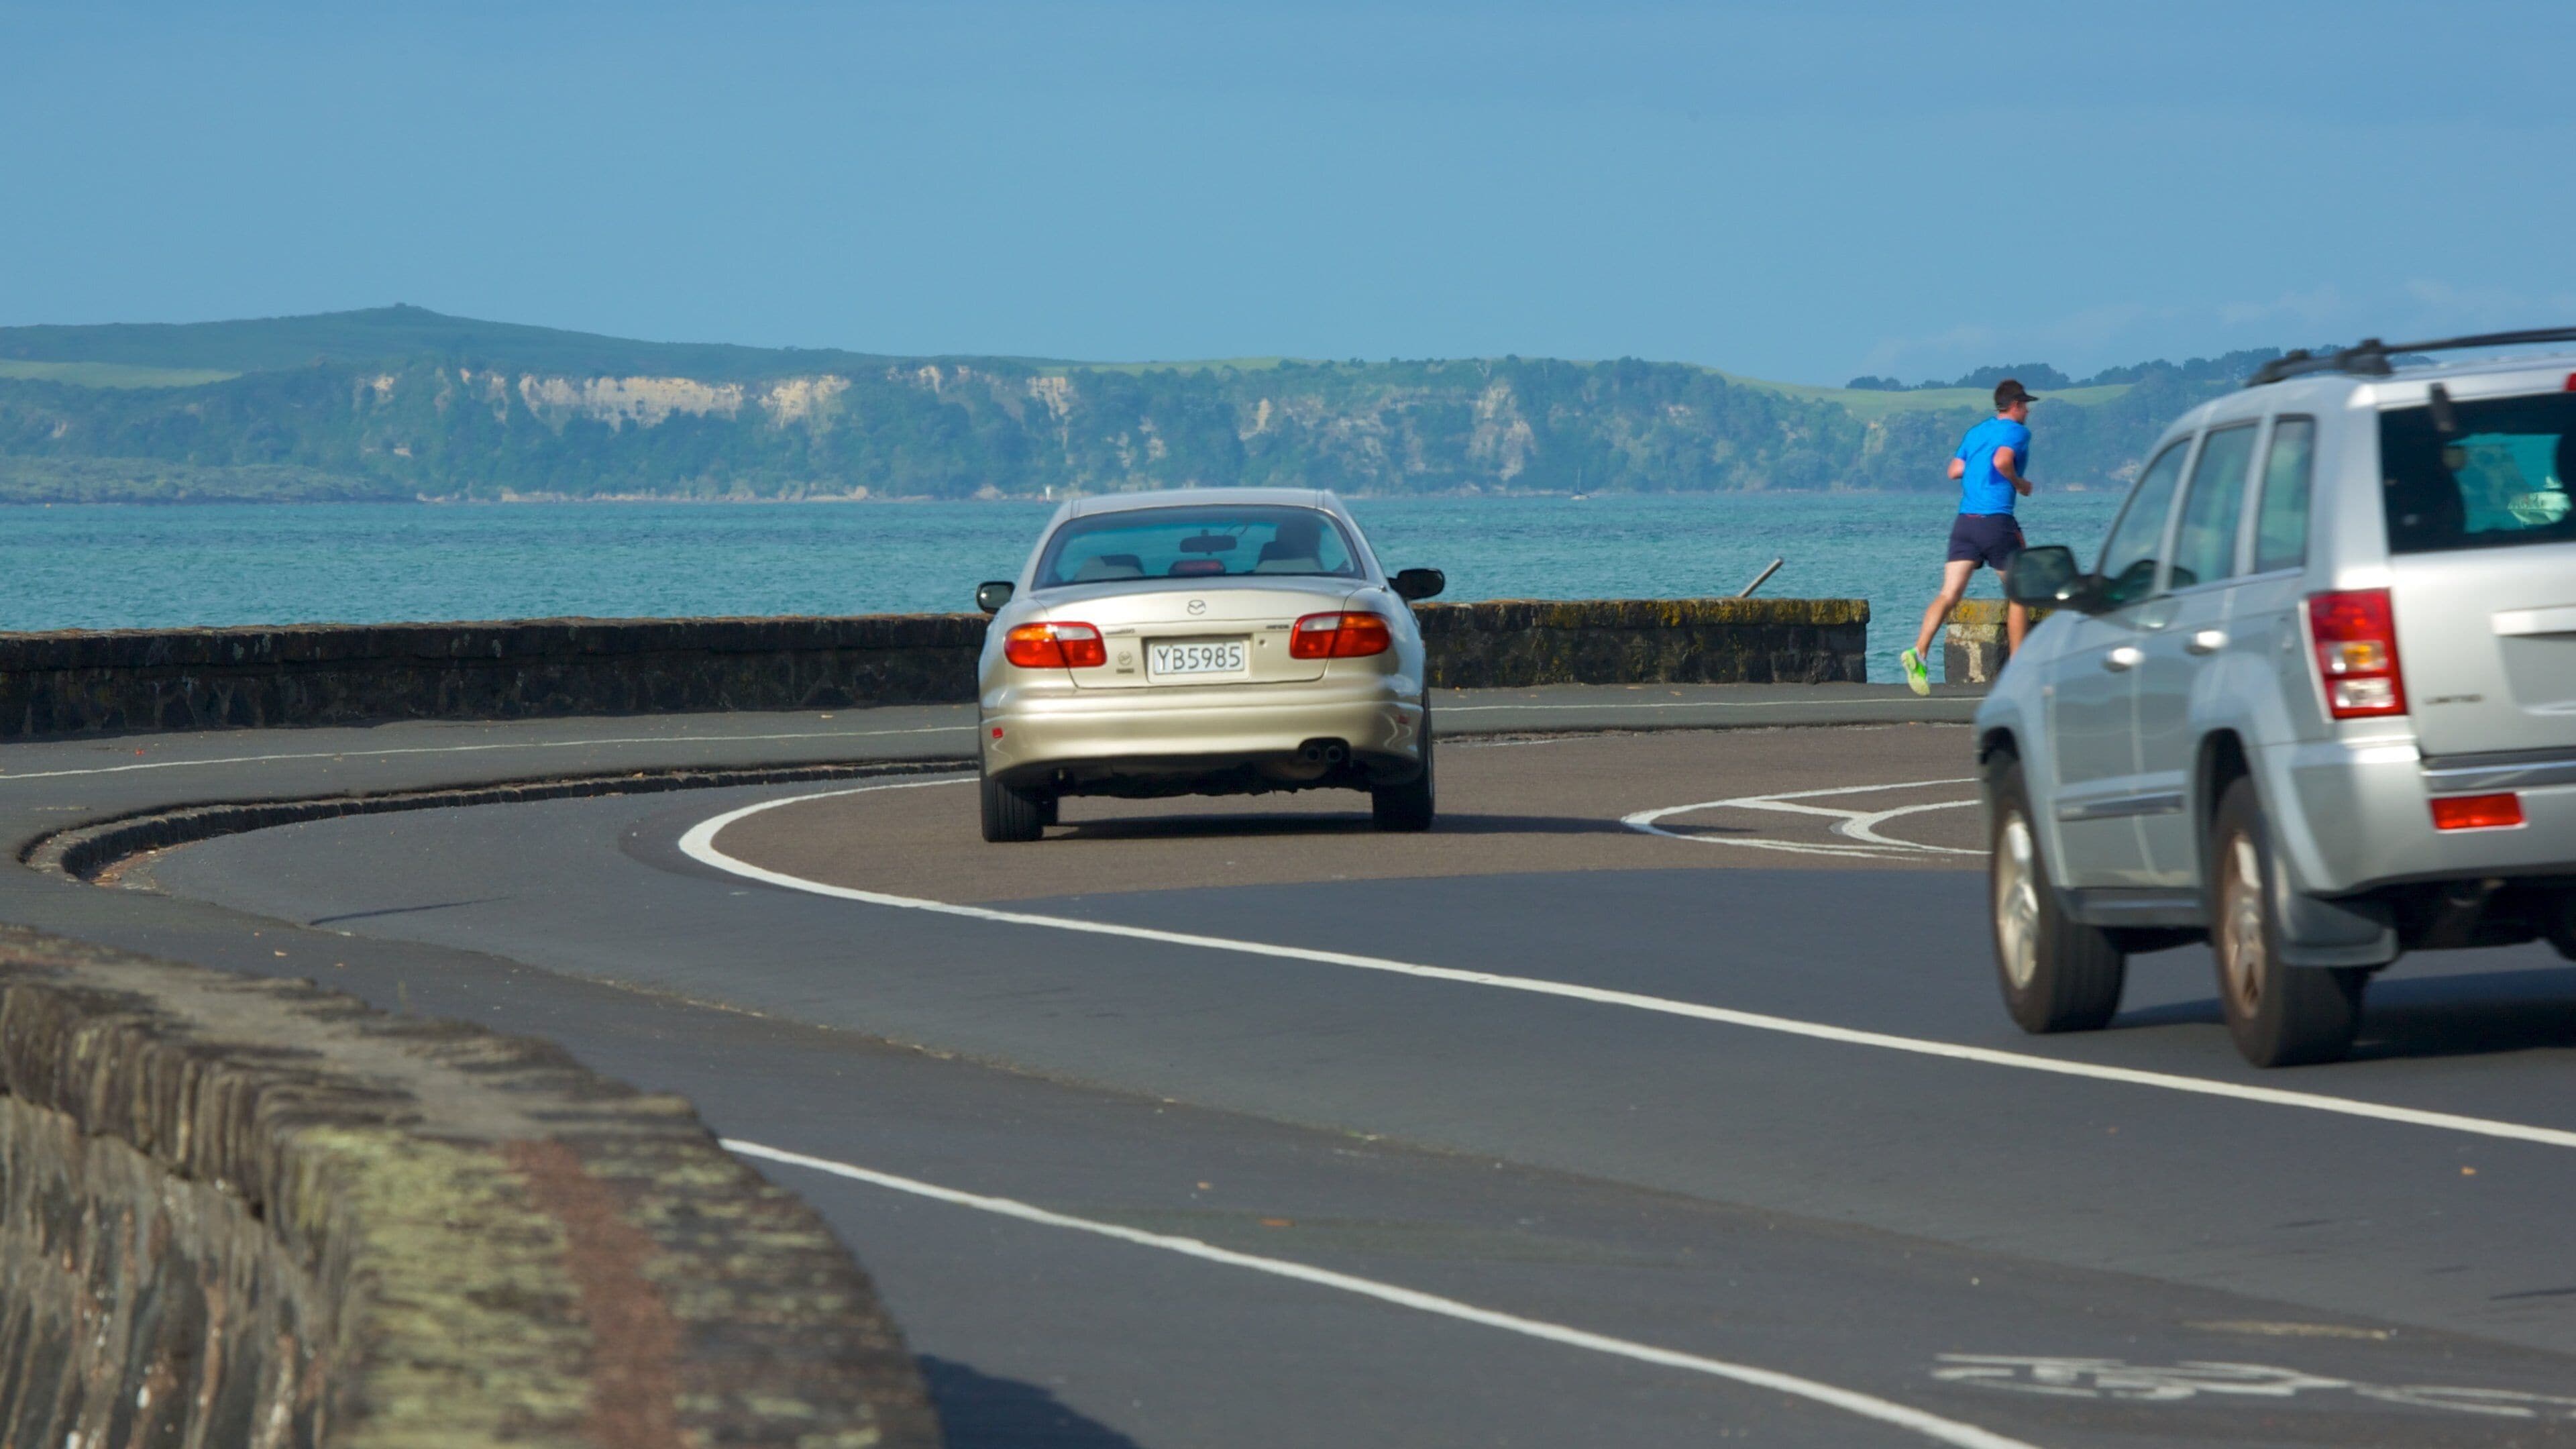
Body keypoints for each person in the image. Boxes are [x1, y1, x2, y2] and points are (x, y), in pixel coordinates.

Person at [1900, 379, 2037, 694]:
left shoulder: (1976, 432)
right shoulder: (2017, 432)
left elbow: (1954, 470)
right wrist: (2019, 483)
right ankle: (2017, 672)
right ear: (2015, 406)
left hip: (1965, 523)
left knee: (1948, 594)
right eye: (2025, 405)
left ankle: (1919, 652)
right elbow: (2002, 461)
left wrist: (1979, 468)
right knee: (2021, 593)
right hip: (1996, 522)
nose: (2028, 411)